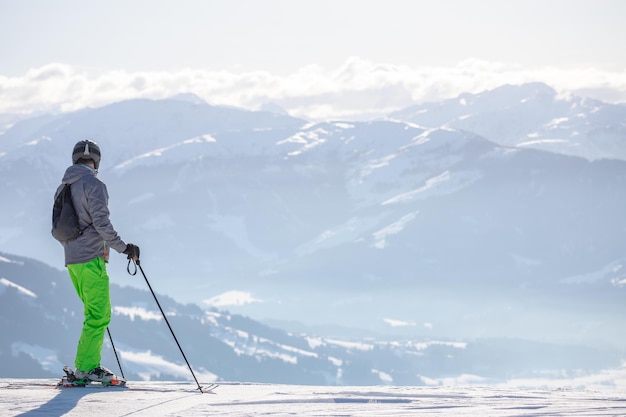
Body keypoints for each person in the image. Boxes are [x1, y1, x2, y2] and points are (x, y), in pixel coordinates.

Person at [54, 139, 140, 382]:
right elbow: (102, 224)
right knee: (99, 315)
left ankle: (84, 365)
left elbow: (60, 227)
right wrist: (125, 248)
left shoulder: (63, 187)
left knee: (93, 314)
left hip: (72, 261)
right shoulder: (94, 184)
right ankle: (86, 368)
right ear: (97, 161)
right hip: (91, 258)